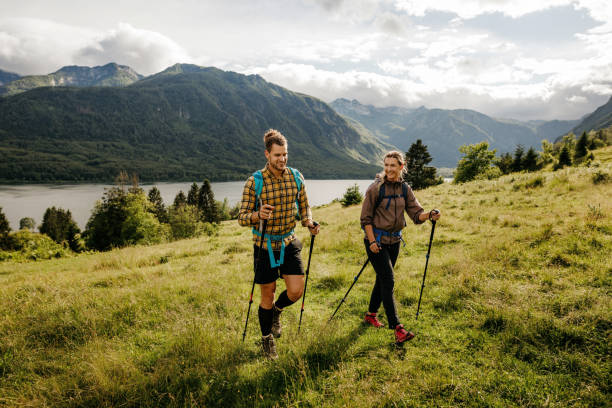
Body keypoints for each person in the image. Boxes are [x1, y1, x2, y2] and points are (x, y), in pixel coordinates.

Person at [238, 129, 320, 359]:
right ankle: (267, 339)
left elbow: (305, 207)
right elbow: (241, 217)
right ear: (267, 154)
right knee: (267, 294)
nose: (282, 159)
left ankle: (277, 312)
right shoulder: (254, 182)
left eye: (285, 154)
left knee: (296, 291)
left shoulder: (296, 177)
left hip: (288, 240)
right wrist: (257, 215)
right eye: (277, 155)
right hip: (264, 245)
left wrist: (309, 222)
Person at [360, 150, 441, 344]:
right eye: (386, 165)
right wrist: (371, 242)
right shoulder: (375, 188)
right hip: (376, 242)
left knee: (382, 280)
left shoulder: (405, 189)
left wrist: (429, 214)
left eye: (393, 165)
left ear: (401, 167)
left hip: (395, 242)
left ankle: (371, 314)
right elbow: (365, 219)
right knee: (388, 280)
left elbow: (416, 214)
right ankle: (397, 328)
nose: (388, 169)